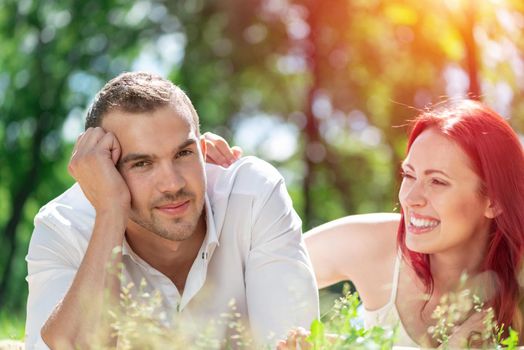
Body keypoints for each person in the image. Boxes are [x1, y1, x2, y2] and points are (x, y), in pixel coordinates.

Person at [25, 72, 319, 350]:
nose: (172, 183)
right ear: (106, 170)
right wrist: (110, 212)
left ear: (202, 150)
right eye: (142, 163)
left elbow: (289, 341)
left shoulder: (252, 195)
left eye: (183, 153)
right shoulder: (62, 228)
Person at [207, 100, 524, 348]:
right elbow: (238, 277)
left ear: (493, 200)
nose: (410, 198)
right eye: (409, 175)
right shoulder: (374, 244)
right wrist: (210, 188)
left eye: (438, 182)